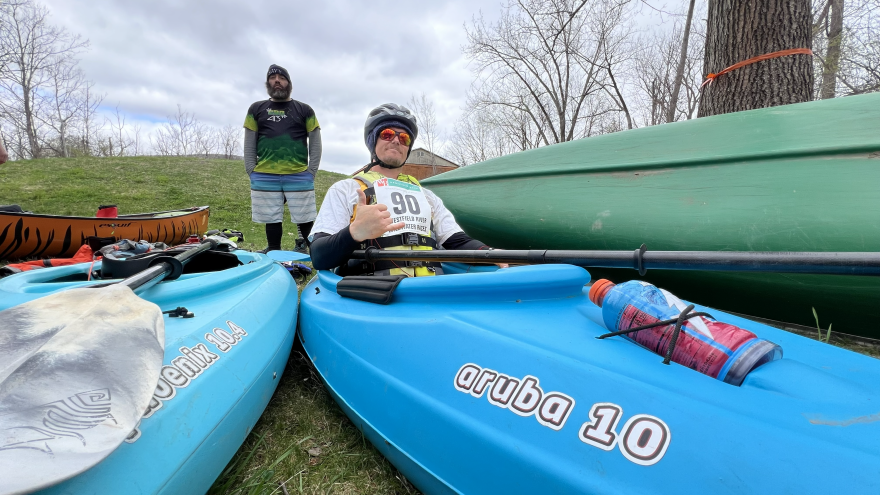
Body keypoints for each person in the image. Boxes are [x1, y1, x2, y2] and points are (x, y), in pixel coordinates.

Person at [310, 103, 506, 276]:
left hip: (425, 291)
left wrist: (490, 252)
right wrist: (354, 232)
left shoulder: (426, 196)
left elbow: (456, 241)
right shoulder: (346, 189)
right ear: (373, 140)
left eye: (404, 138)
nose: (396, 141)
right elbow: (319, 257)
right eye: (387, 134)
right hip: (371, 295)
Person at [243, 64, 321, 253]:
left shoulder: (304, 110)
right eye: (272, 78)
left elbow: (316, 141)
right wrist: (251, 170)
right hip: (264, 174)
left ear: (289, 83)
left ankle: (316, 253)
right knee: (271, 217)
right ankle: (274, 251)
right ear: (268, 83)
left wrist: (311, 172)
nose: (277, 80)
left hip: (299, 174)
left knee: (305, 217)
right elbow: (249, 142)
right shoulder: (256, 109)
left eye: (282, 77)